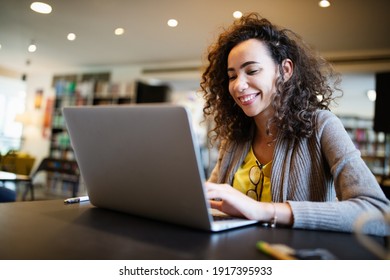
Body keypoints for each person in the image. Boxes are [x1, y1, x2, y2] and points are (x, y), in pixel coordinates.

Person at [200, 13, 390, 236]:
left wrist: (263, 210)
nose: (239, 85)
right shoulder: (235, 137)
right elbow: (210, 198)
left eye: (252, 71)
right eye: (232, 76)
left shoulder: (322, 126)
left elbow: (379, 214)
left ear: (285, 70)